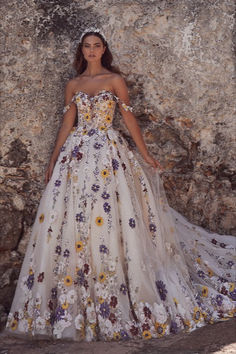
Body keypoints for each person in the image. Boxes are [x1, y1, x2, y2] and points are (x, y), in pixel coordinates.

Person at [6, 28, 235, 341]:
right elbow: (66, 124)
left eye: (96, 46)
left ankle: (119, 287)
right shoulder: (73, 84)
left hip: (107, 155)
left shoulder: (114, 80)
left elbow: (129, 121)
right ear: (82, 50)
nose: (91, 51)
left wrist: (146, 154)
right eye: (86, 46)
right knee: (74, 220)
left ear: (103, 49)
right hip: (76, 155)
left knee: (114, 216)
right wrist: (52, 160)